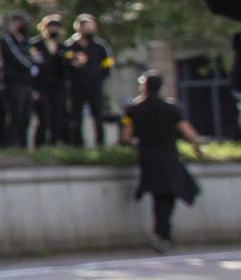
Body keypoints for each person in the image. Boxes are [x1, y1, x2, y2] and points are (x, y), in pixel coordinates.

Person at [123, 72, 205, 256]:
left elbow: (126, 136)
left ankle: (162, 235)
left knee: (159, 197)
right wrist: (199, 149)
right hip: (168, 157)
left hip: (148, 158)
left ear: (144, 87)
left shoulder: (133, 110)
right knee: (168, 197)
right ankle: (162, 235)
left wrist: (136, 145)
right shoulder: (170, 108)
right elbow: (190, 133)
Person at [67, 14, 117, 148]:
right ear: (79, 28)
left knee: (98, 116)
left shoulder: (100, 46)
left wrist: (99, 77)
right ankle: (77, 144)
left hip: (95, 86)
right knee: (76, 117)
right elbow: (64, 65)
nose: (89, 31)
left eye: (91, 27)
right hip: (76, 87)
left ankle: (100, 144)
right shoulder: (70, 46)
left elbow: (108, 65)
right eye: (86, 28)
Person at [0, 12, 38, 149]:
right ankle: (11, 144)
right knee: (16, 115)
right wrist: (31, 64)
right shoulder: (8, 40)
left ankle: (23, 144)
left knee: (26, 117)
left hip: (27, 84)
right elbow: (20, 60)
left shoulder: (26, 41)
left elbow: (37, 58)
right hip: (14, 84)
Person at [31, 14, 70, 146]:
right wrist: (33, 88)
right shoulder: (35, 45)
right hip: (41, 87)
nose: (53, 29)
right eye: (51, 26)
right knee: (44, 116)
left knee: (57, 116)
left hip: (58, 87)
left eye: (56, 27)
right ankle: (39, 144)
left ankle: (54, 143)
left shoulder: (63, 48)